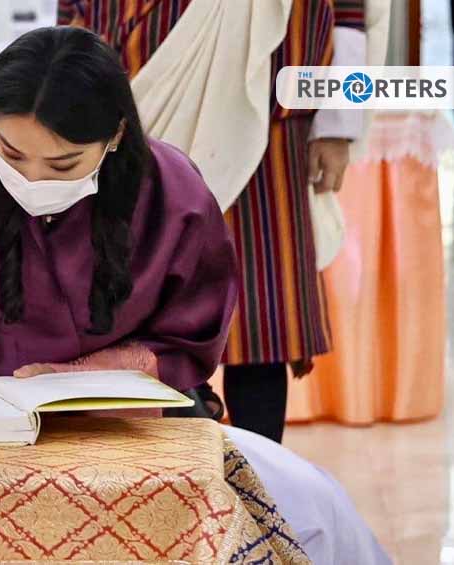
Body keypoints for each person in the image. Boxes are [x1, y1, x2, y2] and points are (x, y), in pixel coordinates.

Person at [0, 27, 391, 564]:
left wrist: (84, 378)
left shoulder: (172, 191)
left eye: (63, 165)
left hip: (132, 425)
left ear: (114, 136)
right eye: (11, 153)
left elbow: (189, 338)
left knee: (313, 511)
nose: (32, 178)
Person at [58, 0, 369, 443]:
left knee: (262, 322)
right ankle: (170, 473)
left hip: (269, 123)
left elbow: (350, 12)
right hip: (139, 107)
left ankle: (261, 474)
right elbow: (71, 17)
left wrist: (339, 126)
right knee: (143, 314)